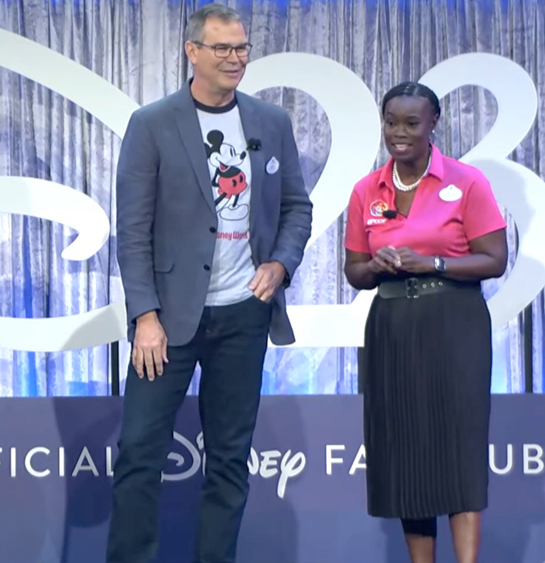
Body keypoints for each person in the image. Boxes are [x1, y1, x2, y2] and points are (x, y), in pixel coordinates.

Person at [107, 4, 313, 563]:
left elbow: (297, 207)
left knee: (229, 460)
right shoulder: (153, 123)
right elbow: (132, 230)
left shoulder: (270, 121)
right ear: (192, 52)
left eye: (242, 47)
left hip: (244, 314)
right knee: (139, 453)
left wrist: (281, 264)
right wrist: (144, 316)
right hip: (167, 321)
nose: (235, 58)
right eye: (222, 48)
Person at [342, 81, 509, 563]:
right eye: (391, 122)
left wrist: (433, 264)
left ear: (433, 123)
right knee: (407, 451)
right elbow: (354, 272)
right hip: (392, 326)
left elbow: (494, 259)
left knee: (458, 448)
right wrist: (377, 267)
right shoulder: (366, 190)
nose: (399, 132)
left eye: (411, 123)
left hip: (454, 324)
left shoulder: (467, 182)